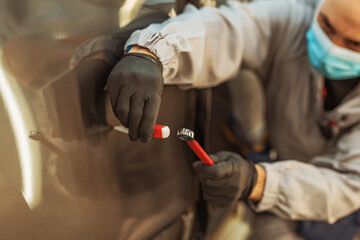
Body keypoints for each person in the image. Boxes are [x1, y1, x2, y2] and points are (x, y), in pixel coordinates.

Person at [105, 0, 360, 238]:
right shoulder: (295, 19)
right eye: (326, 25)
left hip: (341, 204)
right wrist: (151, 52)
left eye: (354, 44)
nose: (331, 46)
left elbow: (348, 184)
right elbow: (227, 30)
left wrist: (257, 181)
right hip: (281, 169)